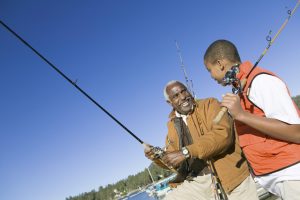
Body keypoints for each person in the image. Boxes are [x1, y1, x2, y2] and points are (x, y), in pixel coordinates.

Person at [203, 39, 300, 199]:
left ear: (220, 64)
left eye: (209, 70)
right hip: (278, 180)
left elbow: (297, 132)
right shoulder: (241, 89)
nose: (211, 76)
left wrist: (242, 115)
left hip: (292, 176)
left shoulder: (261, 81)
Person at [144, 80, 258, 200]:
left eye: (184, 91)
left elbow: (222, 135)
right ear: (169, 102)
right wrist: (155, 157)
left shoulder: (210, 104)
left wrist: (186, 152)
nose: (183, 97)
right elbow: (173, 161)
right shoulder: (172, 126)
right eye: (176, 96)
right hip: (198, 182)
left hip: (232, 176)